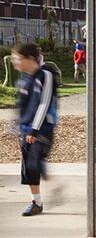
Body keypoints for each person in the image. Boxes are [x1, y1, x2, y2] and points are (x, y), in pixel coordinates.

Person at [13, 44, 58, 217]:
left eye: (18, 59)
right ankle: (36, 201)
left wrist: (34, 130)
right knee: (28, 167)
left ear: (30, 59)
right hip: (26, 129)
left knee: (33, 163)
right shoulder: (26, 79)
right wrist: (18, 126)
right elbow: (23, 106)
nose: (16, 63)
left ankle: (46, 184)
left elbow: (44, 103)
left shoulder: (45, 75)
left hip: (42, 129)